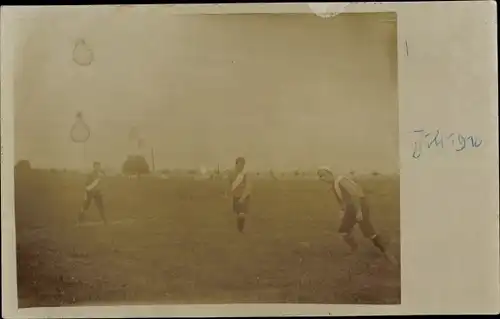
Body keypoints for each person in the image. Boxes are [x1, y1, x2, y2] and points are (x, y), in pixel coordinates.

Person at [317, 166, 396, 263]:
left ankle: (387, 254)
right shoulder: (334, 185)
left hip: (359, 206)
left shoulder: (341, 180)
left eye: (323, 175)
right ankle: (355, 249)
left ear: (329, 174)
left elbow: (355, 195)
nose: (322, 179)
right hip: (351, 209)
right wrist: (342, 211)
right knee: (343, 232)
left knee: (369, 232)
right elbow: (343, 201)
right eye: (320, 177)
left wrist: (359, 211)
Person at [228, 157, 252, 233]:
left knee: (242, 214)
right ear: (236, 164)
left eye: (242, 165)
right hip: (236, 196)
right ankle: (239, 230)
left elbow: (248, 186)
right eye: (239, 164)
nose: (240, 166)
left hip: (244, 197)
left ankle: (240, 230)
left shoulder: (245, 174)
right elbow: (230, 185)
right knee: (238, 213)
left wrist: (243, 197)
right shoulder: (232, 174)